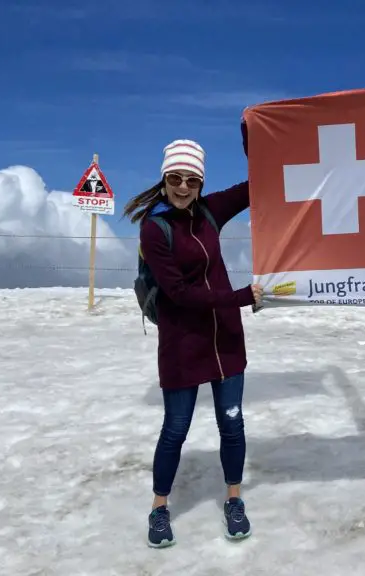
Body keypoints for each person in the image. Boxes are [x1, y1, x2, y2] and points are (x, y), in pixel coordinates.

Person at [122, 138, 264, 548]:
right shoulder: (155, 227)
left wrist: (264, 144)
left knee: (232, 423)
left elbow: (253, 189)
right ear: (164, 179)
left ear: (201, 183)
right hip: (183, 343)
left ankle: (233, 499)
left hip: (225, 342)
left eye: (192, 180)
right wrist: (240, 297)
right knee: (175, 429)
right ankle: (159, 507)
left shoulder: (209, 212)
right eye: (175, 179)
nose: (183, 187)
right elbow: (180, 295)